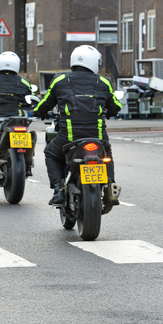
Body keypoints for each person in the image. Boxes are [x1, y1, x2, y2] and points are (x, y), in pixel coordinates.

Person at [32, 45, 122, 206]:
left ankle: (58, 190)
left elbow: (45, 103)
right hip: (97, 136)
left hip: (68, 137)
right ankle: (110, 186)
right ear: (95, 62)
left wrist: (38, 112)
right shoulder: (104, 82)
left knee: (51, 154)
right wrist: (109, 112)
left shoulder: (60, 80)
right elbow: (116, 106)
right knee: (106, 155)